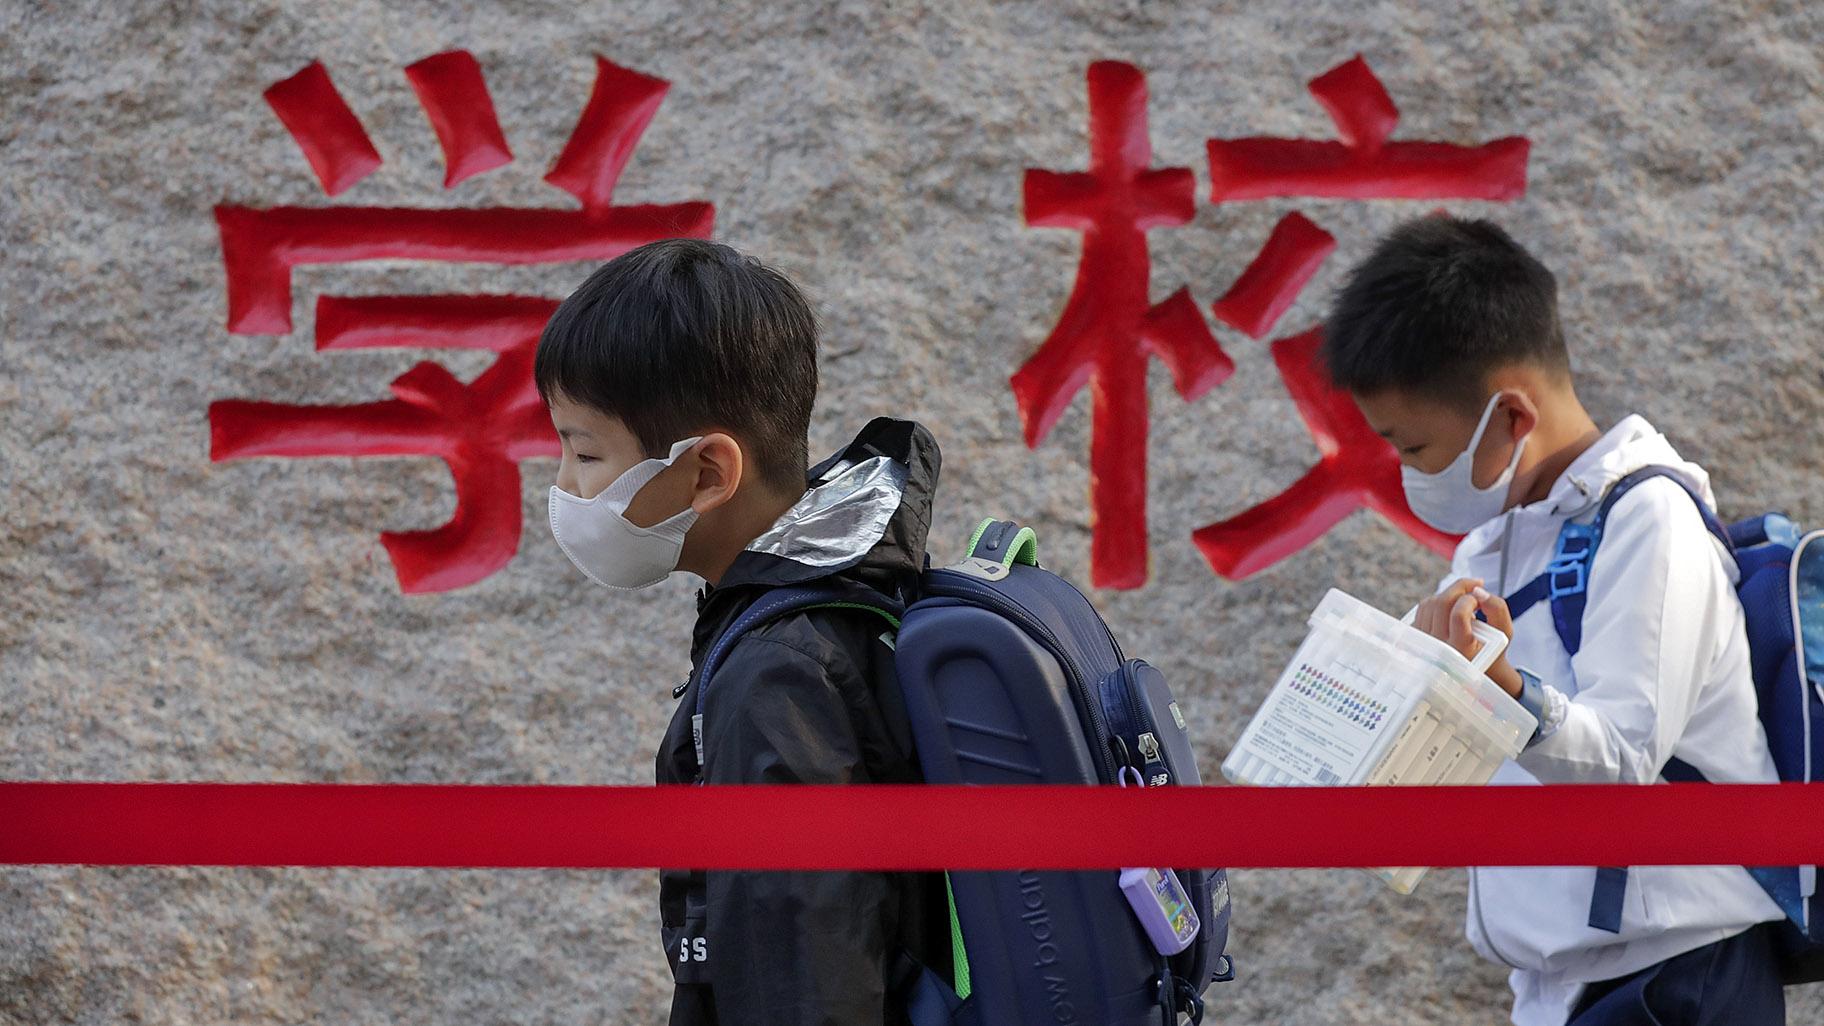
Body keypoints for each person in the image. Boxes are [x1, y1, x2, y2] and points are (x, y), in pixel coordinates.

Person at [1321, 215, 1787, 1026]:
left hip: (1673, 978)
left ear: (1511, 417)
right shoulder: (1494, 542)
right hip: (1557, 987)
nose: (1407, 473)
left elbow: (1623, 760)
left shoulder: (1651, 519)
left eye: (1414, 447)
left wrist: (1498, 688)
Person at [533, 238, 951, 1025]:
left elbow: (800, 978)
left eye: (584, 452)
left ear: (709, 474)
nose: (565, 487)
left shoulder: (776, 677)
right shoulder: (850, 588)